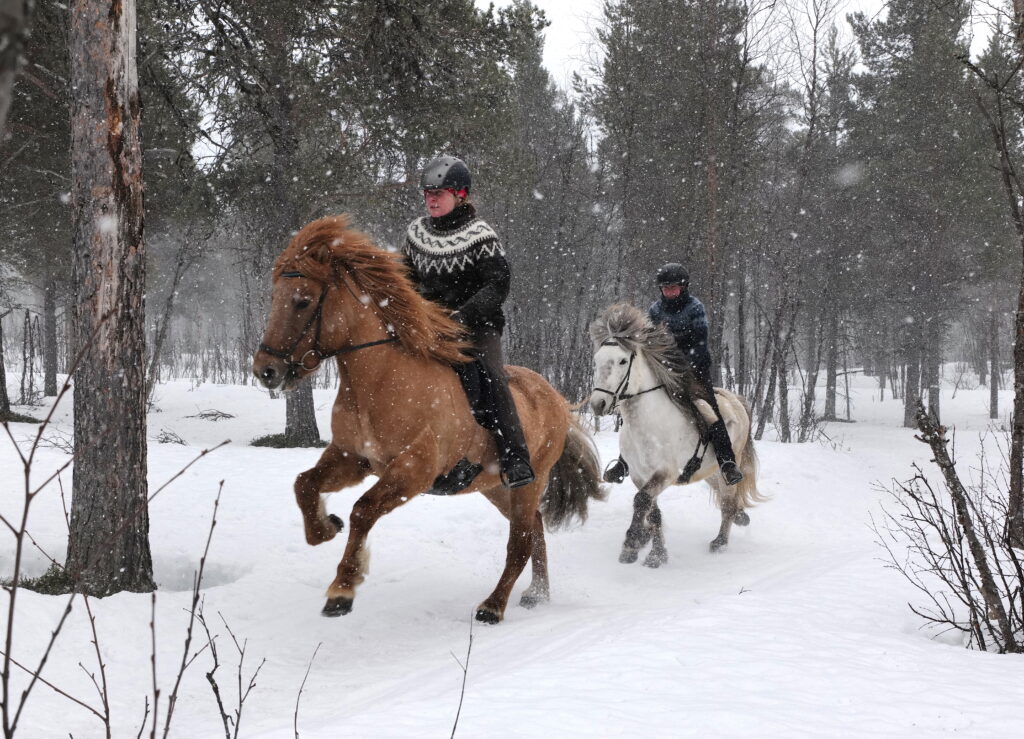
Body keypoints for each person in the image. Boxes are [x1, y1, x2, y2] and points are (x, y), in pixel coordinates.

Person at [402, 155, 535, 489]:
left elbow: (498, 284)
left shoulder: (480, 235)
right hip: (429, 326)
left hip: (477, 326)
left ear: (460, 194)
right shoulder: (416, 234)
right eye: (427, 193)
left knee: (492, 378)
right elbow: (403, 279)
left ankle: (515, 458)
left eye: (439, 193)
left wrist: (463, 315)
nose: (431, 199)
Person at [603, 262, 743, 486]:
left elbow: (699, 342)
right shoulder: (655, 310)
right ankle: (624, 462)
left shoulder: (695, 308)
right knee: (638, 410)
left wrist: (682, 364)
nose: (669, 292)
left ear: (683, 287)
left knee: (709, 411)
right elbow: (647, 342)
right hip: (663, 370)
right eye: (665, 288)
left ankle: (727, 462)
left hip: (693, 369)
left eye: (673, 288)